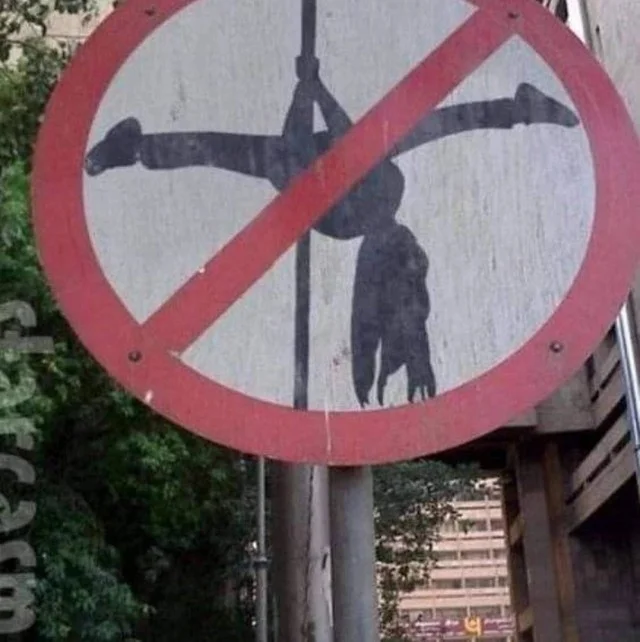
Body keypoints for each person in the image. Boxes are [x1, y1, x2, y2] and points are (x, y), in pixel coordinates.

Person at [85, 66, 579, 406]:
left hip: (302, 154)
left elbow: (316, 148)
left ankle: (133, 148)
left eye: (409, 256)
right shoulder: (369, 206)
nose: (412, 247)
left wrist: (310, 91)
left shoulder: (350, 219)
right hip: (311, 153)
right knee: (426, 126)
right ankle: (519, 108)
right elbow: (354, 144)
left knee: (224, 150)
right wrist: (313, 90)